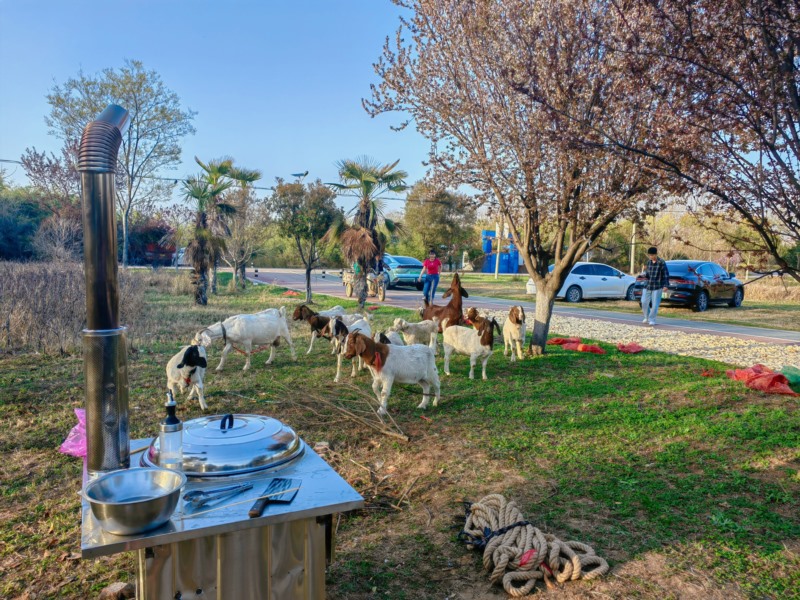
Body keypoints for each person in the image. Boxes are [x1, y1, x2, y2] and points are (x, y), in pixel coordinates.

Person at [641, 246, 669, 326]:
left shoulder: (661, 262)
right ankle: (646, 317)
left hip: (657, 286)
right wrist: (644, 274)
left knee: (655, 304)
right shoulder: (648, 262)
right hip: (648, 285)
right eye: (649, 255)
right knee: (644, 302)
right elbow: (648, 274)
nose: (651, 257)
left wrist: (666, 285)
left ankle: (652, 319)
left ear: (656, 254)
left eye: (652, 255)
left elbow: (665, 274)